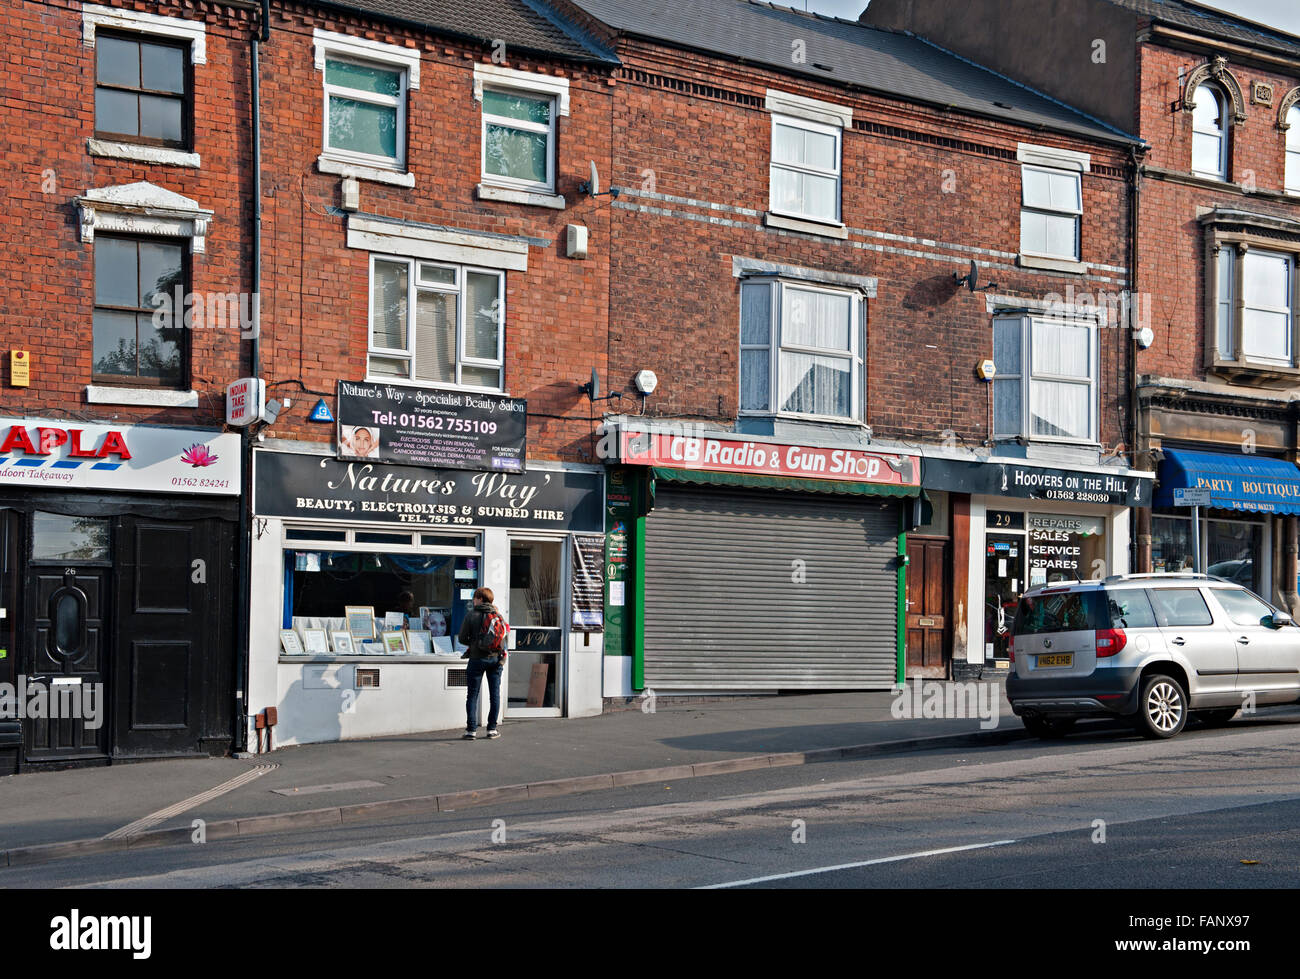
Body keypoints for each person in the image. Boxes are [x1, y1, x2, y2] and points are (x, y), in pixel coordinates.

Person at [458, 586, 507, 740]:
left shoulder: (471, 615)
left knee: (472, 695)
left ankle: (471, 730)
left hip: (477, 659)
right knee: (495, 695)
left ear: (480, 599)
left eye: (475, 597)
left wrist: (474, 643)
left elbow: (461, 638)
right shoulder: (498, 615)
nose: (473, 600)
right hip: (495, 660)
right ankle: (492, 729)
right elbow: (505, 638)